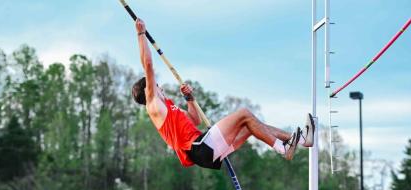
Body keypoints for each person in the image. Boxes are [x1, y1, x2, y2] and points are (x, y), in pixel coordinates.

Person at [132, 18, 315, 170]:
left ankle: (300, 141)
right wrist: (141, 34)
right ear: (149, 89)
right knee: (244, 113)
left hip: (203, 150)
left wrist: (189, 99)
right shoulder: (153, 105)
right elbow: (148, 64)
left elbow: (194, 120)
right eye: (156, 85)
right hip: (199, 148)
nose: (160, 87)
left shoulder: (169, 109)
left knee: (250, 126)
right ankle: (283, 150)